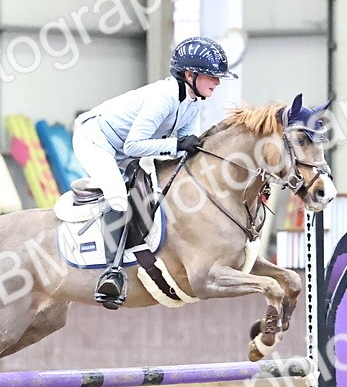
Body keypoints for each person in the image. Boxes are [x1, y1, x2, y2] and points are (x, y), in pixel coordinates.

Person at [71, 36, 237, 309]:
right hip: (95, 139)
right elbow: (134, 144)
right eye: (212, 76)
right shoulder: (164, 97)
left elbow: (183, 143)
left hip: (123, 148)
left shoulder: (194, 101)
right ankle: (111, 272)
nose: (217, 82)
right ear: (189, 74)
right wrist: (177, 145)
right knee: (118, 198)